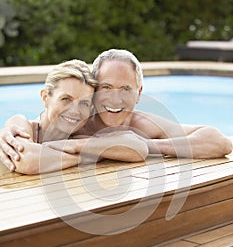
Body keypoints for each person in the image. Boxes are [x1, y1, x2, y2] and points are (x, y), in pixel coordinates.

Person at [0, 49, 232, 173]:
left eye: (125, 89)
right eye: (106, 88)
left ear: (139, 93)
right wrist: (112, 149)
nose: (115, 99)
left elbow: (219, 142)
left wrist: (149, 147)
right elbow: (27, 157)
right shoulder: (74, 119)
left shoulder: (141, 124)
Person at [0, 58, 148, 174]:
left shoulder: (79, 136)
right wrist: (88, 156)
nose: (75, 111)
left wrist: (75, 146)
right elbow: (26, 160)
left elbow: (138, 148)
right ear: (45, 97)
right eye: (66, 99)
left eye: (84, 103)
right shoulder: (21, 123)